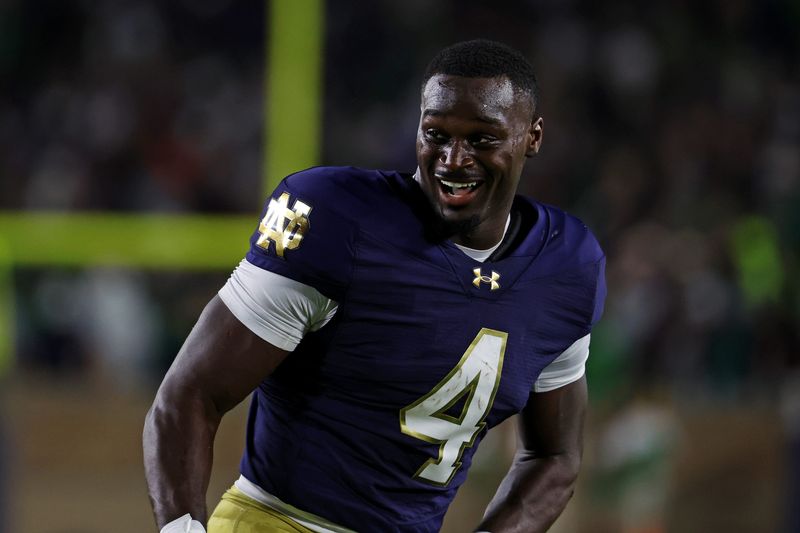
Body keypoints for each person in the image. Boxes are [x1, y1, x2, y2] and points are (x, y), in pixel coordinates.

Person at [144, 39, 606, 533]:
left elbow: (554, 456)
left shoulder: (566, 267)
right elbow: (189, 395)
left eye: (481, 140)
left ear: (532, 138)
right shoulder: (339, 220)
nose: (453, 159)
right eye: (436, 134)